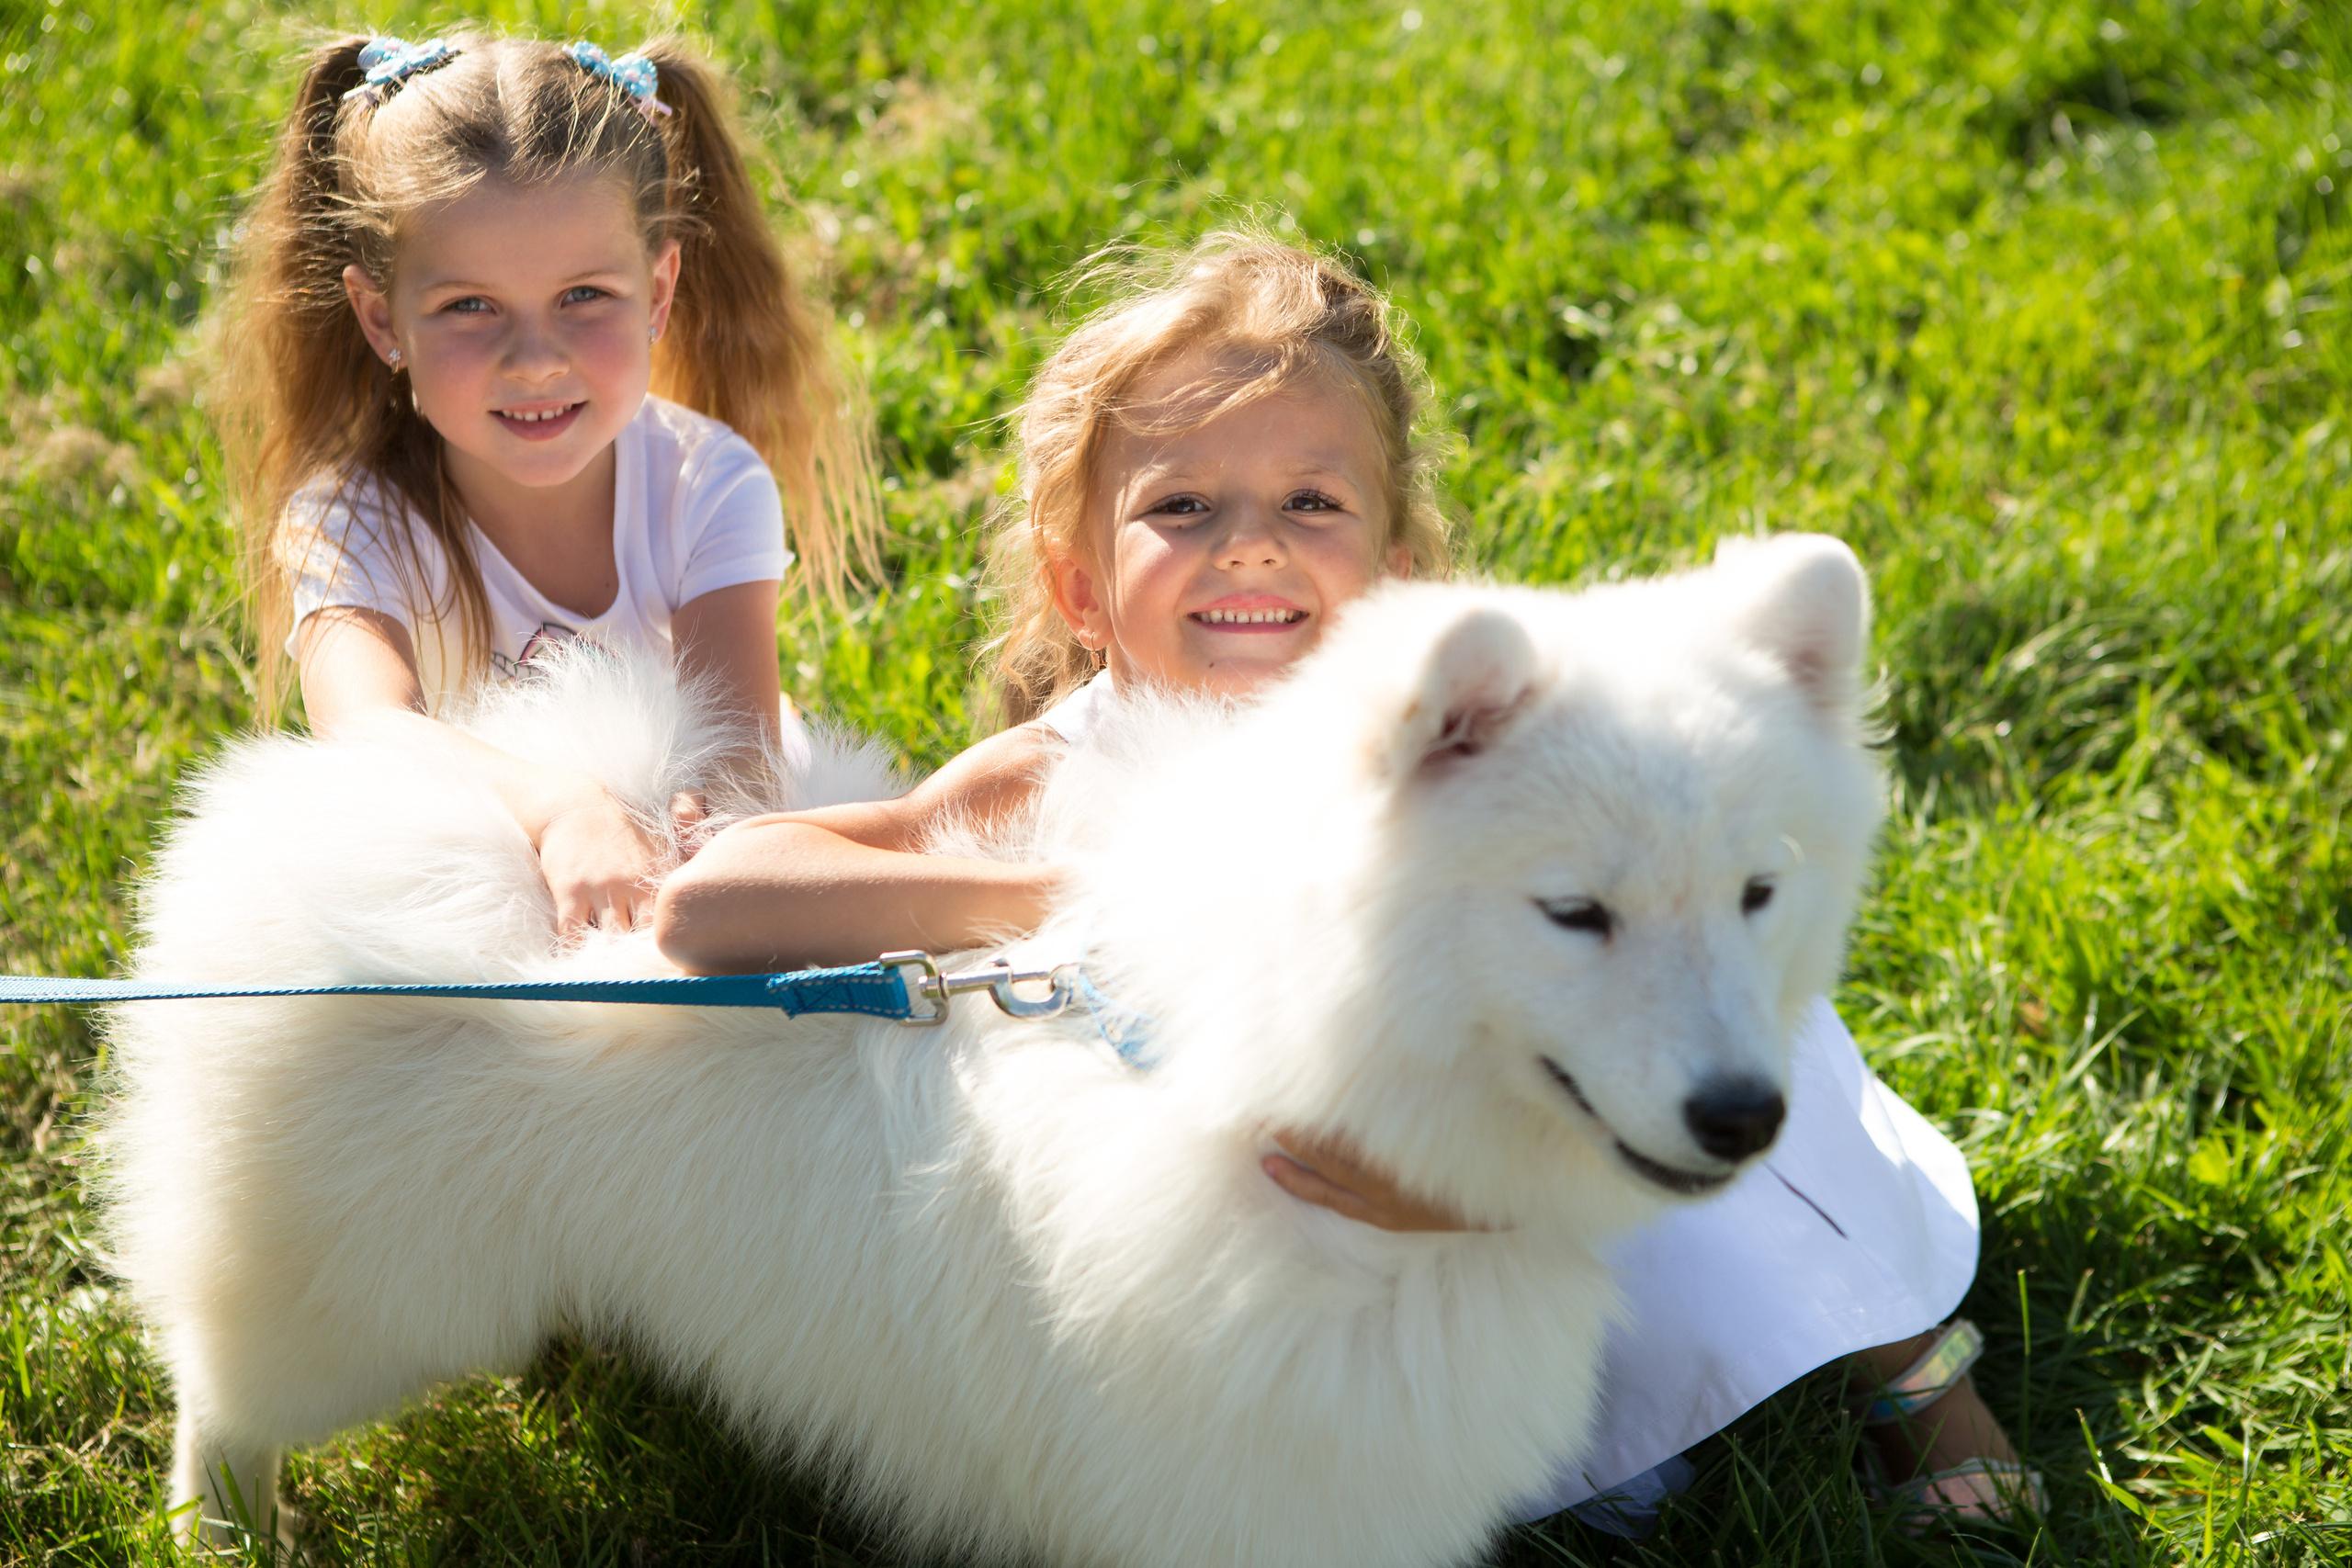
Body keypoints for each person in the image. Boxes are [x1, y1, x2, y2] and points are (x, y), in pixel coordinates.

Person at [653, 233, 2036, 1533]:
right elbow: (720, 902)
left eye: (1309, 502)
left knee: (1721, 1009)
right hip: (1325, 1293)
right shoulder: (1068, 760)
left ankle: (1921, 1387)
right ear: (1081, 592)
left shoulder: (1512, 752)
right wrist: (1080, 898)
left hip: (1574, 1168)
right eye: (1182, 505)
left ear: (1399, 573)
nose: (1247, 543)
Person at [217, 29, 871, 938]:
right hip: (479, 834)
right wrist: (561, 807)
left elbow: (739, 763)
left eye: (584, 297)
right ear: (381, 319)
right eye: (469, 307)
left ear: (659, 290)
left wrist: (674, 852)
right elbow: (368, 732)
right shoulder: (351, 518)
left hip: (674, 825)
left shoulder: (708, 482)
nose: (533, 361)